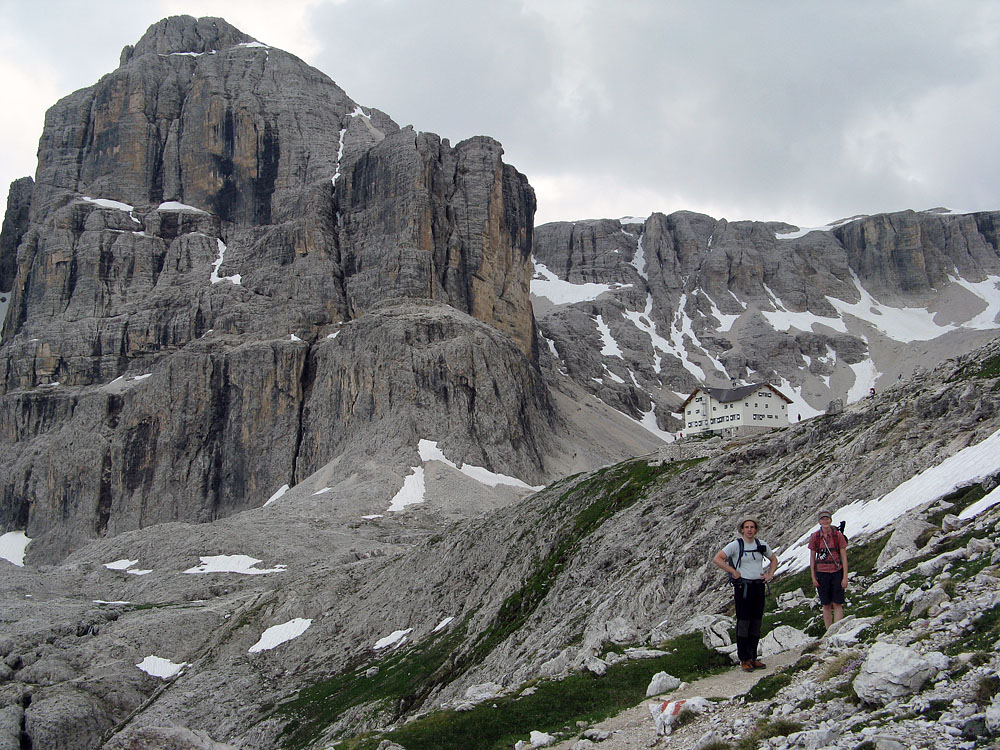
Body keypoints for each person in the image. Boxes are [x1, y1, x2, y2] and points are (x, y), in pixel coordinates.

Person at [712, 518, 779, 672]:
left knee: (756, 622)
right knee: (744, 622)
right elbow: (718, 558)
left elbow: (774, 559)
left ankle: (753, 658)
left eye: (752, 527)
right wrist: (733, 571)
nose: (749, 530)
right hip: (743, 587)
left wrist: (770, 574)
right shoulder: (736, 545)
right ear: (742, 530)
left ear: (756, 530)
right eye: (746, 527)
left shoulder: (761, 544)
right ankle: (744, 658)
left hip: (758, 586)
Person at [809, 510, 848, 628]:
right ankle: (828, 632)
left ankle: (836, 630)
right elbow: (812, 558)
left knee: (837, 603)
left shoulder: (838, 536)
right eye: (823, 519)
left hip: (837, 572)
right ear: (819, 521)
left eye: (827, 519)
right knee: (826, 604)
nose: (825, 521)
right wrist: (813, 576)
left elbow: (844, 557)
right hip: (821, 573)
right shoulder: (815, 537)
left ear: (830, 520)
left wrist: (845, 577)